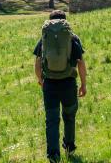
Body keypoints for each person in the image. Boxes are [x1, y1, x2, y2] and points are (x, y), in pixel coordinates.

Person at [33, 10, 87, 163]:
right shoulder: (72, 37)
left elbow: (37, 63)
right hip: (68, 83)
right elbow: (81, 63)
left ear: (49, 21)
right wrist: (83, 84)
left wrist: (40, 80)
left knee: (52, 120)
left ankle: (53, 155)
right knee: (69, 116)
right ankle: (69, 147)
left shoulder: (44, 37)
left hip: (49, 84)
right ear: (65, 21)